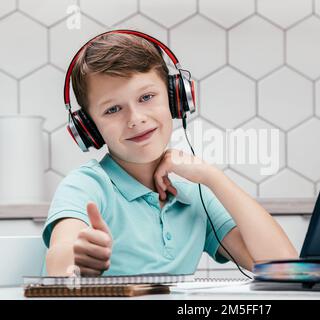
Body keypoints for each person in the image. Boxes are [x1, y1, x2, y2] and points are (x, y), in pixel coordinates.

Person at [44, 31, 298, 277]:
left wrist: (213, 177)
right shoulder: (86, 186)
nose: (136, 119)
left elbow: (284, 270)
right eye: (113, 109)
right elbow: (61, 259)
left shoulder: (195, 198)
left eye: (146, 97)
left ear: (175, 98)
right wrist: (78, 261)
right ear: (89, 128)